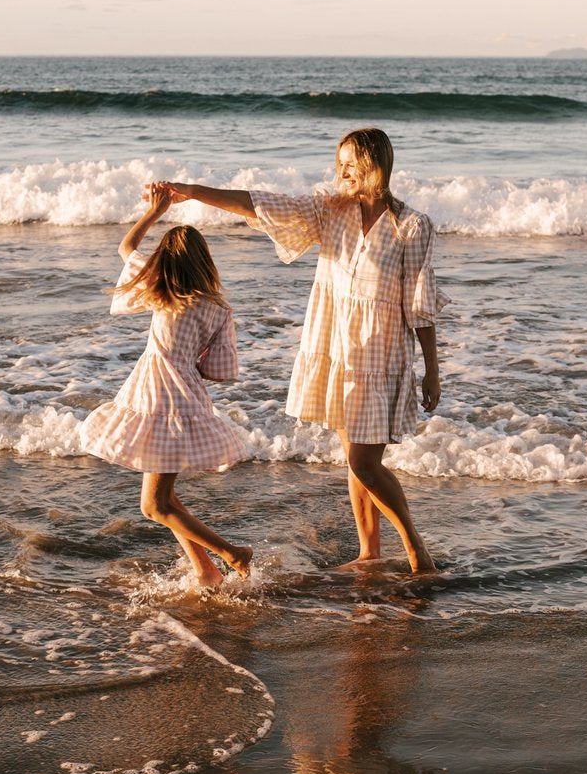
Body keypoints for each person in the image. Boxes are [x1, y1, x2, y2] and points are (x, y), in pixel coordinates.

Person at [153, 127, 446, 575]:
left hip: (380, 355)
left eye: (351, 163)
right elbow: (260, 203)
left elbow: (420, 304)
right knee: (355, 460)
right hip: (335, 346)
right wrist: (190, 192)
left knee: (363, 462)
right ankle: (370, 553)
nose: (341, 171)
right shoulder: (330, 211)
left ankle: (416, 552)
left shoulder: (411, 225)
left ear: (375, 165)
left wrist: (432, 371)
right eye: (339, 162)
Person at [80, 183, 252, 588]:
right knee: (164, 500)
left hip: (155, 397)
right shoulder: (217, 309)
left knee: (154, 505)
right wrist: (188, 360)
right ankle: (206, 570)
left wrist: (155, 212)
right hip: (186, 398)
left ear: (165, 262)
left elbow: (126, 247)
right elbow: (220, 371)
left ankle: (232, 553)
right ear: (204, 262)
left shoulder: (162, 292)